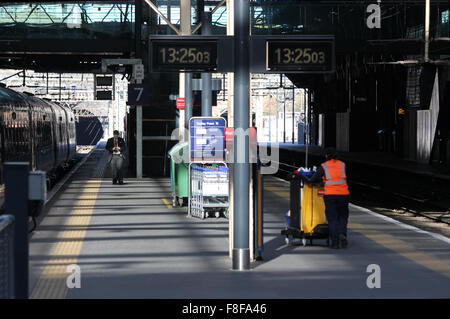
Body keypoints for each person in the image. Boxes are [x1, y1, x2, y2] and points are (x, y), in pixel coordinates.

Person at [301, 148, 350, 249]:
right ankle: (343, 234)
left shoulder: (324, 166)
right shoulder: (342, 164)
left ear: (327, 156)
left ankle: (335, 243)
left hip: (330, 195)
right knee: (343, 217)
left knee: (332, 219)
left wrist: (302, 176)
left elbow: (312, 180)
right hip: (344, 194)